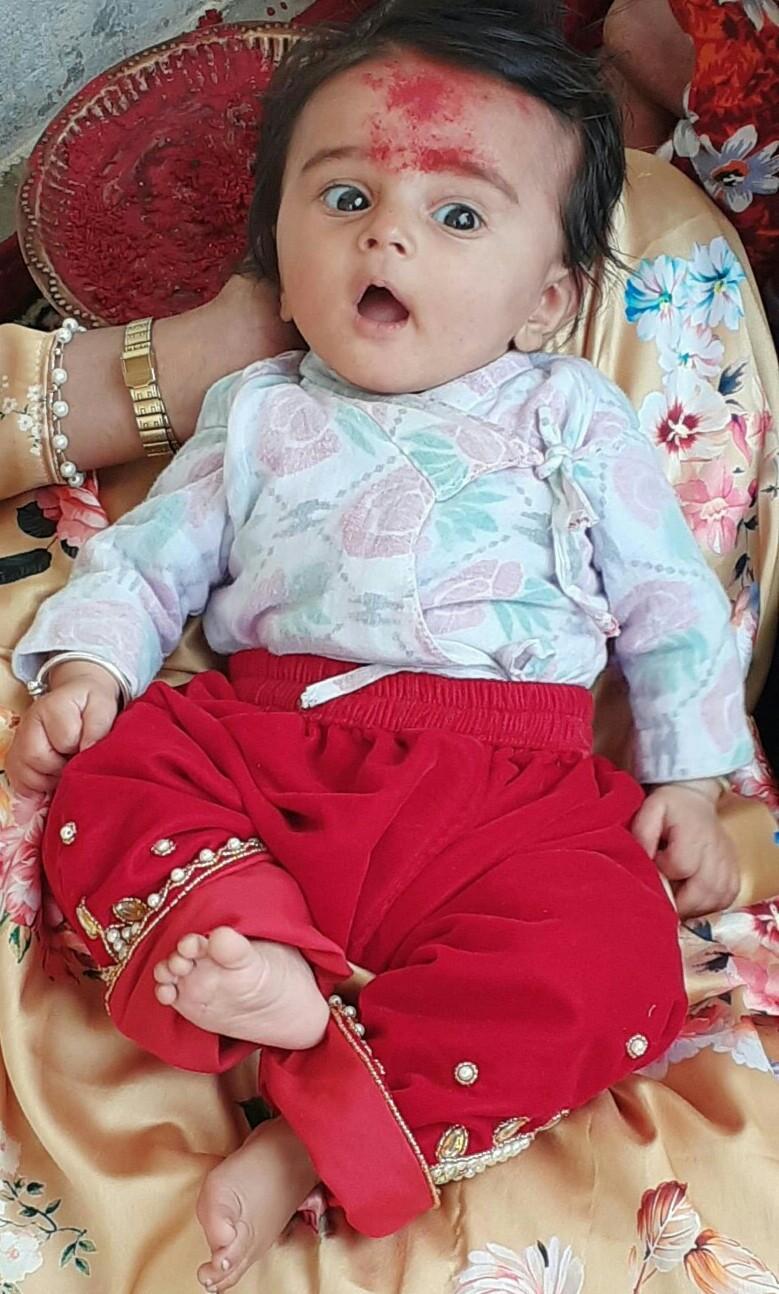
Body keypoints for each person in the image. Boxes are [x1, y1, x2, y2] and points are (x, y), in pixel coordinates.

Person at [5, 0, 754, 1290]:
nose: (388, 233)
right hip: (266, 748)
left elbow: (673, 602)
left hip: (506, 797)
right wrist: (91, 667)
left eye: (457, 215)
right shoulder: (255, 410)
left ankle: (315, 1134)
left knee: (619, 955)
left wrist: (686, 779)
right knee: (112, 782)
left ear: (549, 300)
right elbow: (150, 558)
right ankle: (253, 953)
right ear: (279, 260)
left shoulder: (569, 413)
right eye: (345, 196)